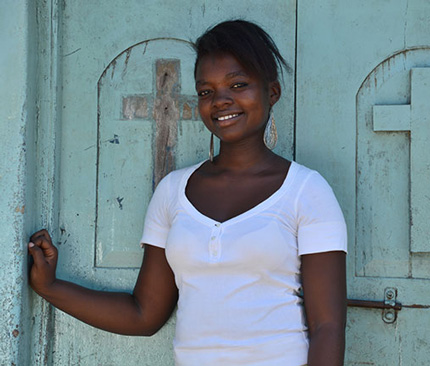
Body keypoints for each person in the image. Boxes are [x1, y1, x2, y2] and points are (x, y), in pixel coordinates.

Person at [28, 20, 347, 366]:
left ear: (271, 93)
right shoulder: (173, 192)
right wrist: (50, 287)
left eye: (237, 85)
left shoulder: (305, 191)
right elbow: (144, 314)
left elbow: (327, 327)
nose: (221, 101)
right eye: (206, 91)